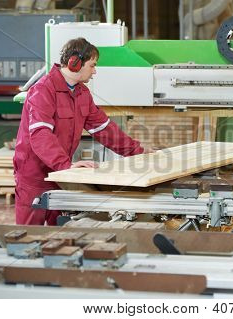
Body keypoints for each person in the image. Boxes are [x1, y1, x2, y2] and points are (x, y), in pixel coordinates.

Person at [13, 37, 145, 226]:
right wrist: (65, 165)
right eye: (92, 65)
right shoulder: (43, 90)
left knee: (58, 230)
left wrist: (139, 152)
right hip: (34, 176)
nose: (95, 71)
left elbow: (104, 128)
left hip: (60, 175)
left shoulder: (82, 93)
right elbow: (41, 135)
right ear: (75, 63)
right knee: (29, 233)